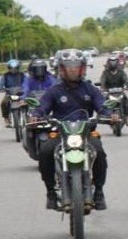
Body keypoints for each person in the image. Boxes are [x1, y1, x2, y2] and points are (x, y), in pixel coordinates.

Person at [29, 49, 117, 211]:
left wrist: (110, 115)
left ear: (82, 68)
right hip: (61, 133)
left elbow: (102, 106)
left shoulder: (90, 89)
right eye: (68, 66)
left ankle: (98, 191)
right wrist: (36, 115)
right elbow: (42, 107)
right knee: (46, 153)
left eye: (76, 66)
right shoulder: (54, 90)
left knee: (100, 153)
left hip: (85, 132)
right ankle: (50, 193)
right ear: (62, 68)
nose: (72, 69)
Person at [99, 56, 128, 126]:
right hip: (108, 92)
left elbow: (125, 79)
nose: (113, 64)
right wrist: (102, 88)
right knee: (103, 104)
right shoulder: (105, 72)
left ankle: (126, 117)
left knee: (127, 102)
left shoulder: (121, 71)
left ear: (117, 63)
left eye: (114, 62)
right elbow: (102, 81)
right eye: (111, 62)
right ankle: (104, 117)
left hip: (120, 91)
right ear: (108, 63)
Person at [0, 59, 26, 126]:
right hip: (9, 93)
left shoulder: (22, 75)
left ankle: (29, 116)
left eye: (15, 68)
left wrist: (26, 87)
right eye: (12, 68)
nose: (14, 70)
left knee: (29, 101)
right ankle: (6, 118)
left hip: (21, 93)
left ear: (18, 68)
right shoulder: (5, 75)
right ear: (9, 68)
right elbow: (1, 83)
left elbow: (27, 82)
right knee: (3, 103)